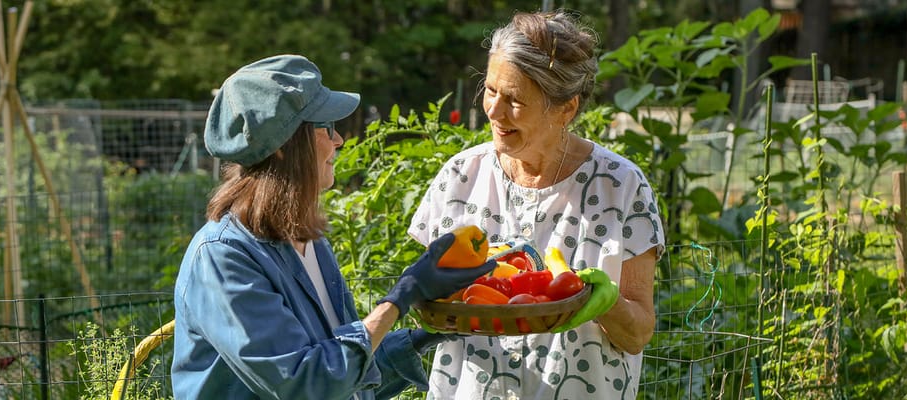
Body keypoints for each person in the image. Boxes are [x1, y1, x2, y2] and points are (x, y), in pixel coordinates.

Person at [171, 54, 495, 399]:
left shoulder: (307, 240)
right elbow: (307, 383)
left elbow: (343, 372)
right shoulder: (222, 258)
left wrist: (426, 335)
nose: (338, 139)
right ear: (285, 147)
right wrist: (398, 300)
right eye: (325, 127)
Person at [407, 10, 664, 399]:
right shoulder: (460, 177)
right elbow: (433, 300)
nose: (493, 110)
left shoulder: (621, 187)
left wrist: (604, 302)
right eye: (491, 90)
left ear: (566, 109)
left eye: (514, 99)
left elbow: (638, 334)